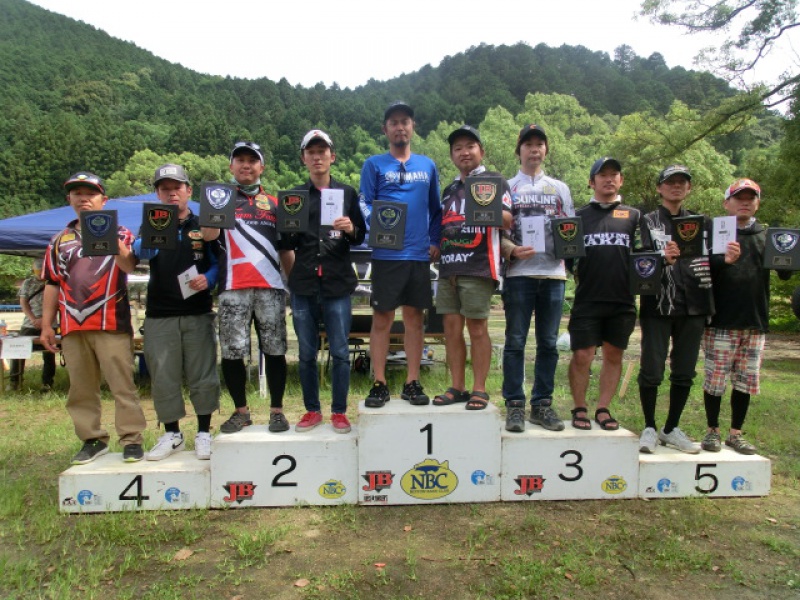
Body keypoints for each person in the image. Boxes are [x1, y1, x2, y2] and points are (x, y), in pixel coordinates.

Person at [40, 172, 147, 464]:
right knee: (81, 388)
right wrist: (47, 325)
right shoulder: (59, 241)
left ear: (104, 199)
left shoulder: (123, 233)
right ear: (69, 200)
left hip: (111, 320)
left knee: (122, 384)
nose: (84, 198)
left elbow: (128, 265)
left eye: (90, 193)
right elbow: (51, 283)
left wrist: (110, 236)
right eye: (77, 193)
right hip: (72, 324)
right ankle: (92, 439)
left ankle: (132, 439)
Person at [636, 165, 729, 454]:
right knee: (652, 369)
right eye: (670, 182)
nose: (676, 186)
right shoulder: (646, 221)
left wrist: (727, 258)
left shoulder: (704, 223)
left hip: (696, 303)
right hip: (659, 303)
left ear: (689, 188)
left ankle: (671, 428)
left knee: (685, 371)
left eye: (682, 182)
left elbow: (713, 263)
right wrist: (661, 258)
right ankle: (650, 426)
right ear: (659, 188)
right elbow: (638, 262)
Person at [202, 142, 294, 434]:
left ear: (261, 168)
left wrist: (293, 286)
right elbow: (208, 236)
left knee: (276, 349)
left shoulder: (277, 204)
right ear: (231, 167)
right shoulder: (219, 197)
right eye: (239, 160)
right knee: (232, 352)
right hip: (233, 286)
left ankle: (277, 411)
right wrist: (215, 209)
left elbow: (286, 249)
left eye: (252, 161)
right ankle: (241, 412)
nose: (246, 165)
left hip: (271, 286)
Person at [134, 164, 220, 461]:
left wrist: (208, 279)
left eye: (177, 187)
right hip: (160, 313)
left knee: (203, 373)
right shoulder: (152, 222)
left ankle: (205, 432)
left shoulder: (203, 223)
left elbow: (217, 263)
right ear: (157, 193)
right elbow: (138, 254)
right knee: (164, 376)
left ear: (188, 190)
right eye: (164, 188)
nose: (171, 193)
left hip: (197, 310)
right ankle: (171, 433)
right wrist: (149, 242)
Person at [359, 101, 442, 408]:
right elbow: (365, 203)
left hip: (419, 255)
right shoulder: (374, 164)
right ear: (386, 130)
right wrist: (378, 227)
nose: (399, 127)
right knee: (382, 319)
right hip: (386, 254)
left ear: (412, 126)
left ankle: (412, 381)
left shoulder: (427, 165)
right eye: (393, 122)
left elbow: (436, 210)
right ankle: (379, 383)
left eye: (404, 121)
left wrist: (435, 239)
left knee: (414, 320)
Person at [282, 130, 365, 433]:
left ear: (332, 156)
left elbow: (362, 235)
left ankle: (339, 412)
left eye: (322, 151)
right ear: (304, 158)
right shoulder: (293, 197)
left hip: (337, 284)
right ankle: (311, 410)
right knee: (305, 353)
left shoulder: (348, 194)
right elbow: (285, 242)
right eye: (311, 152)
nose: (317, 157)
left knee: (341, 351)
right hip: (303, 285)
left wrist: (350, 227)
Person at [701, 178, 790, 454]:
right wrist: (722, 259)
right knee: (715, 379)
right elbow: (701, 269)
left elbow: (785, 272)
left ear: (757, 203)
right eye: (739, 197)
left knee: (746, 379)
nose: (745, 202)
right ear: (727, 202)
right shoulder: (715, 231)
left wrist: (791, 255)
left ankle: (736, 433)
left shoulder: (767, 235)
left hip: (755, 320)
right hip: (720, 319)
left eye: (751, 198)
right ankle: (712, 430)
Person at [500, 124, 575, 432]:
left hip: (553, 274)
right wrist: (513, 250)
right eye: (528, 144)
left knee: (548, 343)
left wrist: (567, 249)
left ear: (546, 150)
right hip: (519, 274)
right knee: (515, 341)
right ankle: (515, 405)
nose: (534, 149)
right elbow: (498, 233)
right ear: (518, 150)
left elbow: (570, 229)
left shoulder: (560, 188)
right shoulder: (506, 187)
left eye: (539, 144)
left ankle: (541, 404)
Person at [432, 125, 511, 410]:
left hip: (478, 265)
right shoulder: (449, 188)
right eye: (457, 148)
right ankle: (457, 387)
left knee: (478, 329)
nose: (464, 152)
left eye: (470, 146)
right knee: (451, 330)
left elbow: (507, 220)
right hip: (448, 267)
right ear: (452, 155)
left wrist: (484, 208)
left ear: (481, 151)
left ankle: (479, 389)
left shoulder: (494, 180)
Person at [567, 158, 643, 431]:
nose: (609, 179)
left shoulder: (634, 216)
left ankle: (603, 408)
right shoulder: (578, 215)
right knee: (582, 355)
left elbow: (643, 258)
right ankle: (579, 407)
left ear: (621, 180)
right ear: (592, 181)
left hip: (622, 300)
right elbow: (568, 258)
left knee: (614, 355)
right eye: (602, 175)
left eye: (614, 175)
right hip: (587, 297)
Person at [9, 258, 57, 393]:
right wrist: (33, 319)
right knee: (17, 351)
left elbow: (58, 304)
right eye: (38, 271)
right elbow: (23, 302)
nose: (40, 274)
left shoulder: (53, 282)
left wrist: (45, 320)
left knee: (49, 354)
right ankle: (15, 381)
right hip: (29, 324)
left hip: (50, 324)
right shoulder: (28, 283)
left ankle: (47, 384)